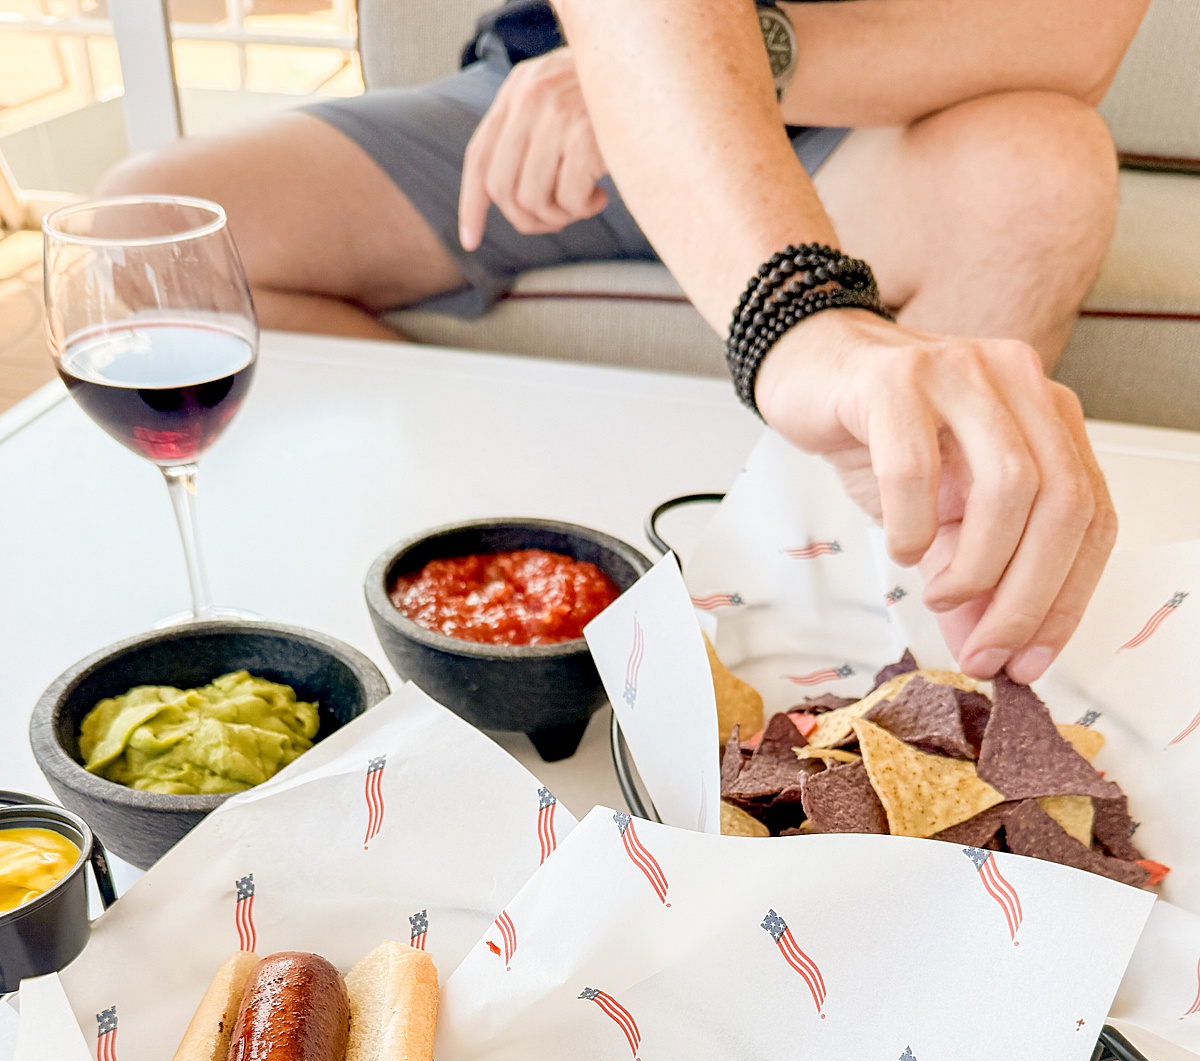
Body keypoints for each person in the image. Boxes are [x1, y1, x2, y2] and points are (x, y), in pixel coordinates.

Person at [99, 0, 1152, 681]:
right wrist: (622, 78)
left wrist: (739, 71)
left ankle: (855, 664)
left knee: (1044, 165)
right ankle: (509, 554)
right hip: (546, 93)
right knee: (146, 232)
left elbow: (1072, 31)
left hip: (861, 116)